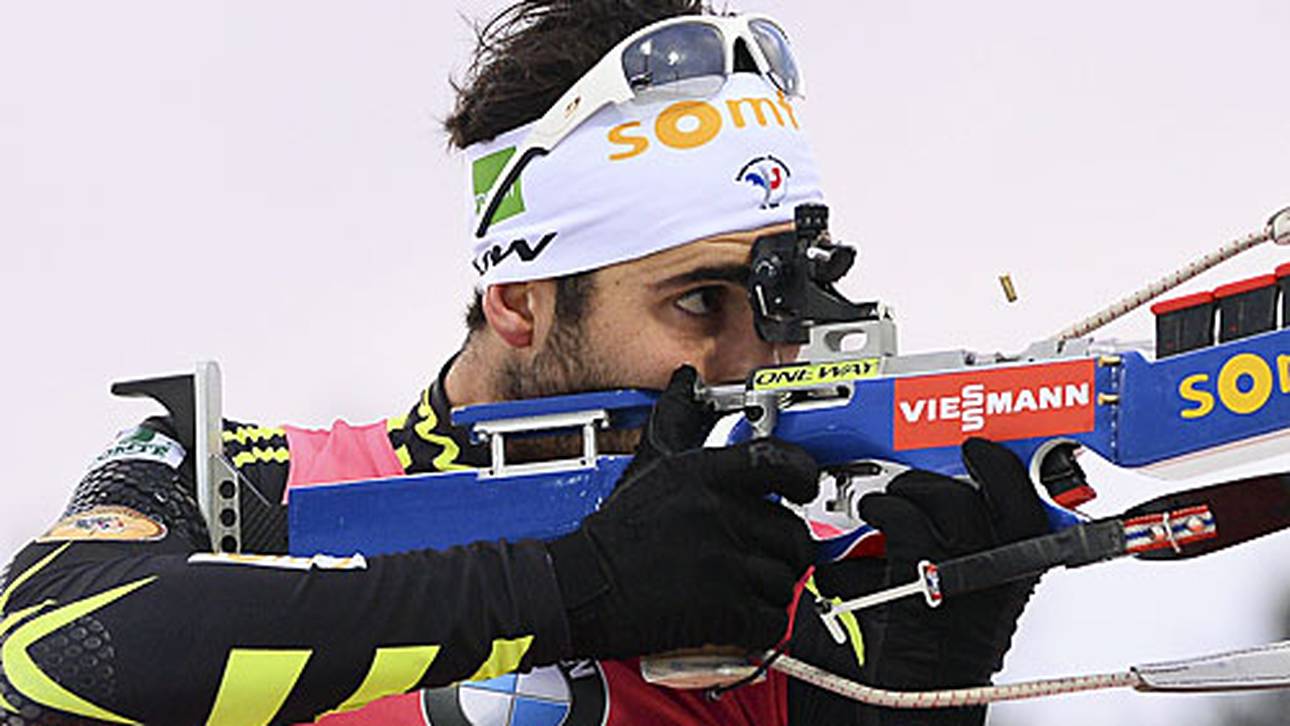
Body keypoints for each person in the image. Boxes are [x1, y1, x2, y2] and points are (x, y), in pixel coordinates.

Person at [0, 2, 1047, 724]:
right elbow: (51, 651)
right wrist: (575, 587)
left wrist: (925, 691)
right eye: (698, 301)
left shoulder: (765, 579)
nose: (748, 357)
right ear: (519, 303)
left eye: (775, 302)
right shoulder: (255, 480)